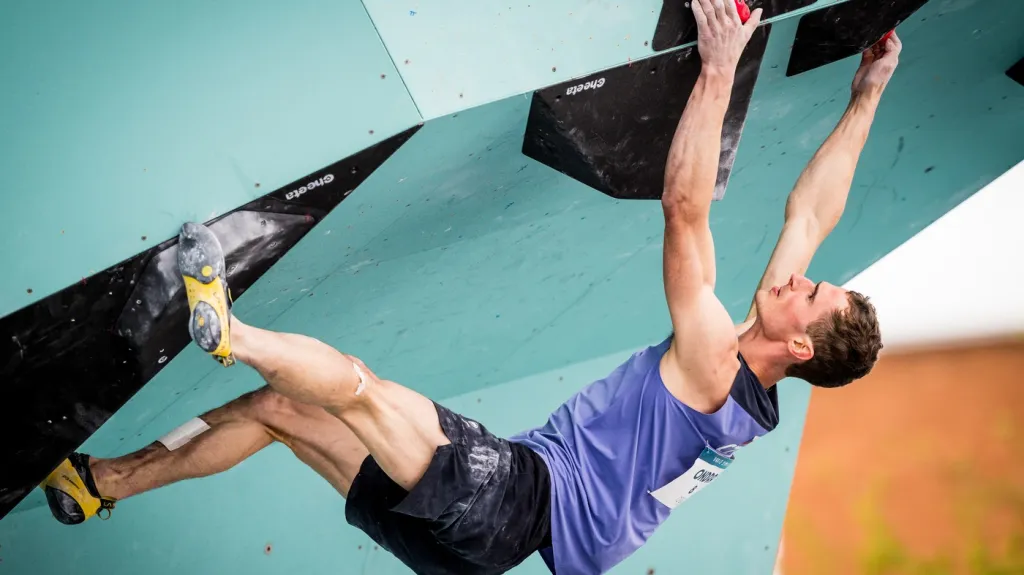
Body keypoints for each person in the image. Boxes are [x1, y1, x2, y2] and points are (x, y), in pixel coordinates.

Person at [39, 1, 896, 574]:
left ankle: (230, 328)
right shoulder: (750, 386)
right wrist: (864, 99)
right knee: (280, 413)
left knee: (357, 383)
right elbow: (810, 215)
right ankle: (97, 484)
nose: (797, 278)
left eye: (810, 293)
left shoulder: (715, 360)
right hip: (488, 547)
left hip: (513, 501)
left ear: (801, 343)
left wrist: (718, 67)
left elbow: (683, 212)